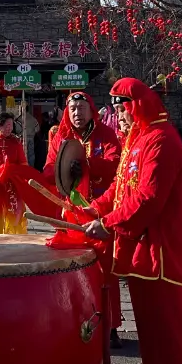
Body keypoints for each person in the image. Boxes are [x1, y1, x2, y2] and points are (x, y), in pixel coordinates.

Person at [83, 78, 182, 364]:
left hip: (161, 253)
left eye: (122, 108)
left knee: (169, 337)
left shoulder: (162, 140)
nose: (119, 116)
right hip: (140, 254)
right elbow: (121, 188)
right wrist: (94, 208)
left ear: (138, 105)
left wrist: (109, 223)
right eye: (115, 109)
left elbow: (148, 199)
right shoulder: (136, 139)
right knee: (149, 333)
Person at [43, 91, 123, 347]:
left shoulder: (107, 135)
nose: (77, 113)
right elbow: (49, 169)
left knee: (105, 270)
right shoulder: (60, 137)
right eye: (72, 108)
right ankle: (71, 319)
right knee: (70, 267)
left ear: (91, 109)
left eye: (81, 107)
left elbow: (115, 164)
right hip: (71, 214)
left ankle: (110, 326)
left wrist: (87, 164)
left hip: (101, 213)